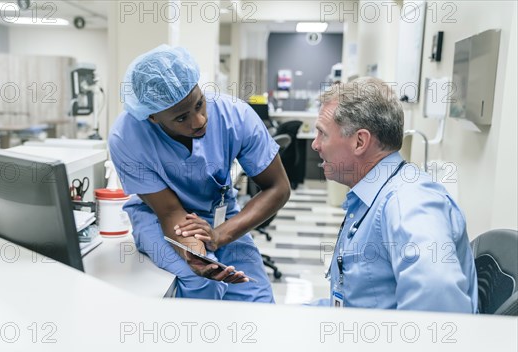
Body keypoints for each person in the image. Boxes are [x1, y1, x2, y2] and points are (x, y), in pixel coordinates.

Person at [108, 45, 290, 302]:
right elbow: (170, 212)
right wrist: (196, 254)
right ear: (153, 118)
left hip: (220, 215)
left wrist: (220, 235)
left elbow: (277, 187)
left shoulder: (235, 116)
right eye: (182, 118)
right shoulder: (127, 137)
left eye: (199, 104)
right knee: (201, 281)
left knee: (256, 299)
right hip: (159, 217)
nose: (199, 120)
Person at [311, 77, 478, 312]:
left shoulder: (407, 202)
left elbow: (437, 299)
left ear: (360, 141)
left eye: (322, 134)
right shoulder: (372, 197)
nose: (315, 145)